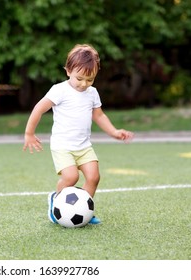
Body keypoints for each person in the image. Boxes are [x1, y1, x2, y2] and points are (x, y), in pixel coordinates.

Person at [23, 44, 134, 225]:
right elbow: (38, 108)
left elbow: (99, 115)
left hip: (84, 146)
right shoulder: (59, 90)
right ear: (68, 71)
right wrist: (29, 133)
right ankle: (55, 200)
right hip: (62, 146)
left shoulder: (92, 93)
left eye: (89, 80)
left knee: (94, 177)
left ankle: (84, 209)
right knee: (71, 177)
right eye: (79, 78)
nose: (84, 84)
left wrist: (114, 132)